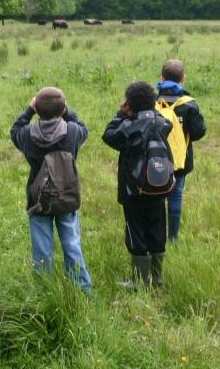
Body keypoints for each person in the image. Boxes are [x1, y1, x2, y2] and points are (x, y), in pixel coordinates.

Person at [10, 87, 92, 292]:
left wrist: (29, 111)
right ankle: (81, 287)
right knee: (71, 242)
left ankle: (44, 289)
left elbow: (15, 130)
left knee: (41, 248)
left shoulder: (27, 135)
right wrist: (67, 111)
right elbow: (83, 127)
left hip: (38, 197)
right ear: (63, 109)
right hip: (67, 194)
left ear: (36, 109)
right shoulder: (72, 132)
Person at [102, 81, 172, 289]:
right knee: (157, 229)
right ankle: (157, 278)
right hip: (160, 186)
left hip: (133, 191)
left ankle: (140, 281)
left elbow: (109, 135)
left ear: (129, 103)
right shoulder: (162, 123)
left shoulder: (128, 127)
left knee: (136, 231)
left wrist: (121, 113)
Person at [156, 59, 207, 242]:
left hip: (158, 159)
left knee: (158, 197)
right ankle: (173, 238)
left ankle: (158, 235)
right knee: (176, 195)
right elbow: (199, 132)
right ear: (183, 79)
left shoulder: (154, 102)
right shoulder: (189, 104)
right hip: (181, 159)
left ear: (162, 78)